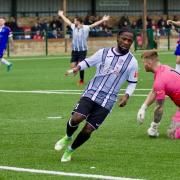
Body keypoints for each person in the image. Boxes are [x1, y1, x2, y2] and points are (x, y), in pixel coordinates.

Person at [54, 27, 138, 162]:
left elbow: (133, 82)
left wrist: (126, 96)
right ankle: (68, 137)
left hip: (108, 100)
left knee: (88, 129)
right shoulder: (103, 52)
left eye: (130, 40)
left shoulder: (132, 62)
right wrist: (77, 67)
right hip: (91, 92)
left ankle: (70, 150)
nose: (127, 42)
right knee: (77, 118)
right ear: (117, 38)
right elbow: (89, 62)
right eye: (124, 39)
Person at [58, 10, 110, 85]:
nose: (74, 22)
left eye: (75, 21)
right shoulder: (73, 27)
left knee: (80, 64)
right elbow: (67, 21)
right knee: (72, 66)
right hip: (74, 50)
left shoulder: (86, 28)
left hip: (83, 50)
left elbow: (94, 24)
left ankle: (81, 80)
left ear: (79, 21)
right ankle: (74, 70)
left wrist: (103, 20)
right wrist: (61, 15)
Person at [137, 50, 180, 139]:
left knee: (172, 134)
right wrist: (143, 108)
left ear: (149, 63)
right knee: (172, 132)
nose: (143, 65)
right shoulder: (164, 68)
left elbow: (159, 108)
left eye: (143, 63)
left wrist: (154, 127)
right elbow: (154, 91)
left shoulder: (160, 80)